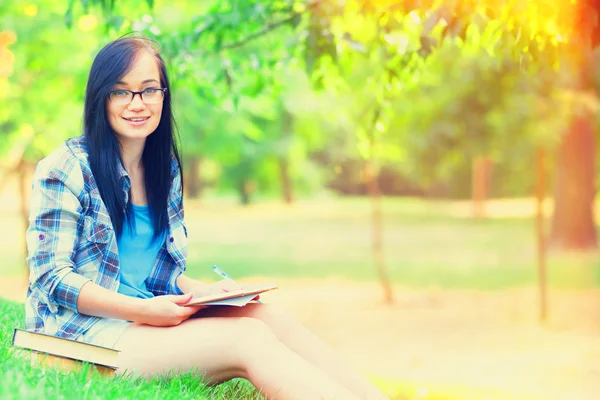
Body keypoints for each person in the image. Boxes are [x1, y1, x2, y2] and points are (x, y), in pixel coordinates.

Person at [24, 35, 389, 400]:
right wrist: (144, 310)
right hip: (75, 337)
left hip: (139, 321)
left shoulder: (162, 170)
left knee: (263, 316)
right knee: (248, 338)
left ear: (164, 96)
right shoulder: (67, 168)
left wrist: (208, 294)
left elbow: (153, 273)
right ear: (100, 98)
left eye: (149, 90)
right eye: (121, 92)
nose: (137, 103)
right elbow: (51, 278)